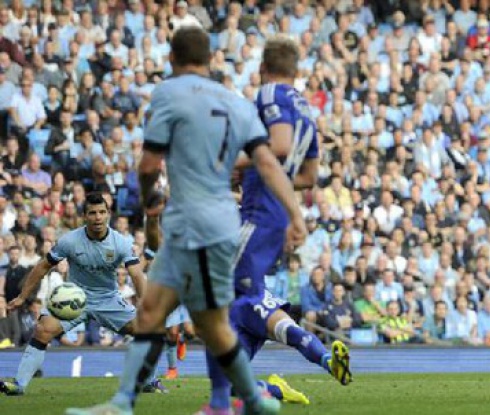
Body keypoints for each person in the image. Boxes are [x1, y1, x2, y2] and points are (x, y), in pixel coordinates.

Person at [65, 27, 307, 415]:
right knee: (199, 322)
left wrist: (148, 200)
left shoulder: (169, 93)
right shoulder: (236, 102)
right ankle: (253, 402)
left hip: (188, 222)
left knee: (171, 316)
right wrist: (296, 214)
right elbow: (267, 161)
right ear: (210, 60)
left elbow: (148, 165)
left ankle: (125, 403)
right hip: (225, 225)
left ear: (173, 60)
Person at [204, 35, 352, 415]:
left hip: (259, 214)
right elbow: (306, 177)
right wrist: (256, 176)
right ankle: (255, 391)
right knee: (240, 300)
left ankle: (230, 400)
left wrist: (237, 164)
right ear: (297, 69)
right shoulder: (306, 111)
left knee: (219, 298)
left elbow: (280, 148)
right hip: (273, 215)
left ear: (264, 69)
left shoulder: (270, 94)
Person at [0, 192, 166, 396]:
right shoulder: (69, 241)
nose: (97, 217)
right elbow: (43, 266)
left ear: (108, 214)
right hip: (75, 298)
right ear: (84, 216)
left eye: (102, 212)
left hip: (108, 298)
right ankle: (19, 384)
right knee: (43, 330)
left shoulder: (121, 243)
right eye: (92, 213)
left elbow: (137, 275)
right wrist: (23, 296)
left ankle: (150, 381)